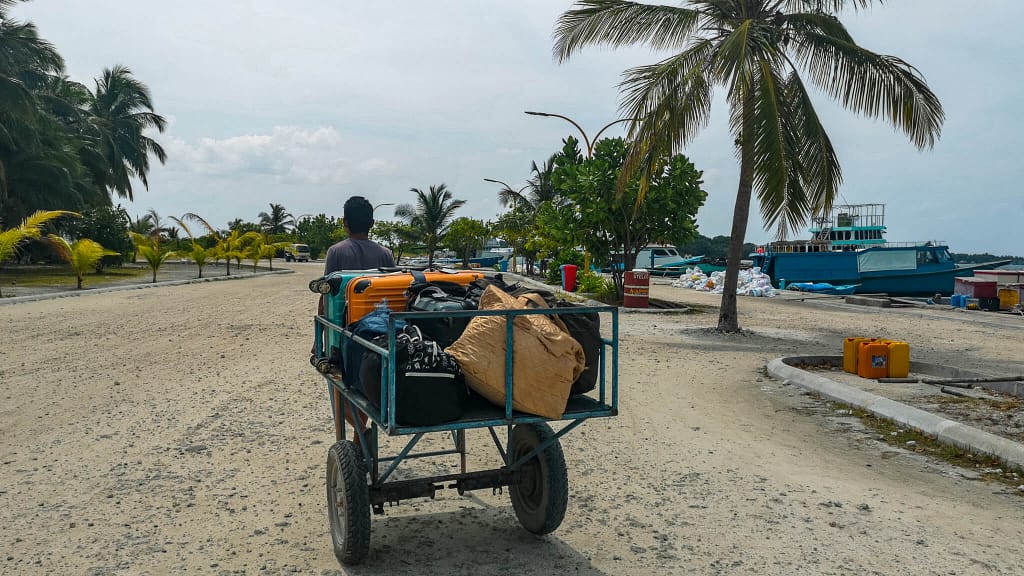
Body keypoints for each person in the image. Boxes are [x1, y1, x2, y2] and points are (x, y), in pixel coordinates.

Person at [320, 196, 395, 445]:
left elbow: (326, 295)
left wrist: (319, 334)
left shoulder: (336, 252)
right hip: (380, 336)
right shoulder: (385, 254)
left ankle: (360, 435)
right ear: (372, 223)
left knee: (341, 388)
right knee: (365, 386)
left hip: (343, 336)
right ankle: (359, 441)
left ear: (345, 223)